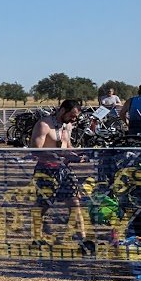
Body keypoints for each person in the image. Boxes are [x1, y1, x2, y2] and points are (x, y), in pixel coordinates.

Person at [30, 99, 92, 255]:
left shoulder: (68, 126)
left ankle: (83, 241)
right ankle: (37, 238)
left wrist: (79, 154)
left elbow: (67, 146)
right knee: (43, 206)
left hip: (65, 170)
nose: (74, 119)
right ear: (62, 110)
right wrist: (60, 155)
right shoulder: (44, 125)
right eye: (72, 115)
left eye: (76, 117)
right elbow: (36, 151)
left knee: (75, 202)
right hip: (46, 170)